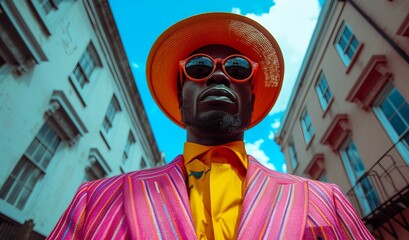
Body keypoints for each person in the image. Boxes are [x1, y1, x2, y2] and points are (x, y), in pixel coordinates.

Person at [47, 13, 374, 239]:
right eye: (199, 67)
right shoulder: (96, 199)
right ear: (180, 96)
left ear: (251, 95)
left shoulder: (324, 200)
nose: (219, 75)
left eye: (238, 67)